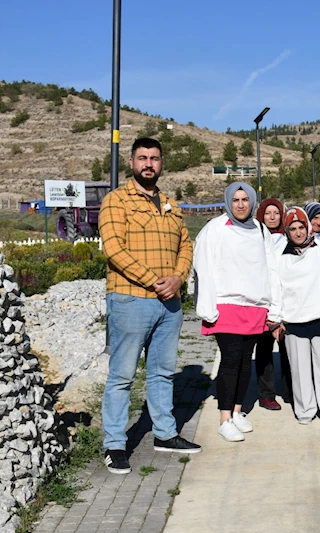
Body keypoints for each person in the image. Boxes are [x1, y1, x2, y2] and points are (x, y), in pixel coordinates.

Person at [99, 138, 200, 474]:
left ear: (161, 163)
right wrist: (155, 280)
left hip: (168, 305)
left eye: (154, 158)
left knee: (162, 374)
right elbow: (113, 248)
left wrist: (178, 278)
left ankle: (164, 434)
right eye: (142, 158)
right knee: (122, 376)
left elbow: (186, 246)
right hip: (130, 300)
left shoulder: (171, 205)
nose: (149, 164)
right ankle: (114, 444)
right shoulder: (116, 201)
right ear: (131, 162)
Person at [193, 182, 280, 442]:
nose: (240, 204)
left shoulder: (260, 229)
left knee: (245, 362)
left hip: (254, 306)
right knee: (230, 360)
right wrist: (206, 305)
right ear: (228, 202)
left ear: (252, 202)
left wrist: (273, 306)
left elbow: (270, 267)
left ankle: (238, 411)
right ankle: (224, 418)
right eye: (236, 200)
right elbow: (203, 264)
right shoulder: (215, 228)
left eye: (245, 199)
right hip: (225, 304)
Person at [273, 207, 320, 426]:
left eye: (301, 228)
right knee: (300, 370)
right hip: (294, 320)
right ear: (287, 231)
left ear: (308, 227)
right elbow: (275, 288)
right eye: (293, 229)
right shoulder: (280, 256)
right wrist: (275, 319)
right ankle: (305, 410)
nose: (298, 233)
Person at [254, 198, 290, 410]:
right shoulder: (256, 238)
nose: (272, 217)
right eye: (268, 213)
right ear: (261, 216)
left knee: (288, 349)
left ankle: (290, 391)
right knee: (265, 350)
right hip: (265, 302)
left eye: (276, 213)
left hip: (288, 302)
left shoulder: (289, 239)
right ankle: (266, 394)